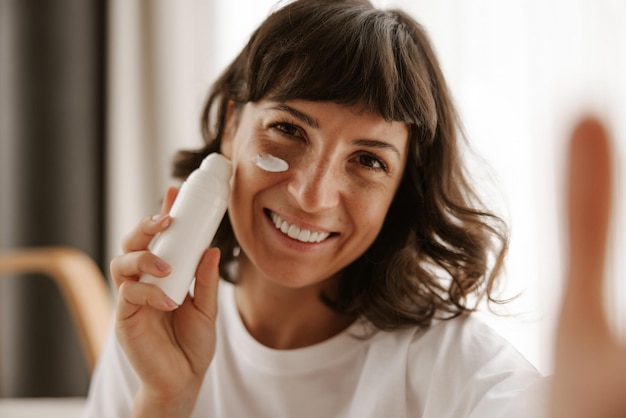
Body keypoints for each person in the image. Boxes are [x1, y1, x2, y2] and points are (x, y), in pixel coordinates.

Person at [84, 1, 625, 417]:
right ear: (231, 126)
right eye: (288, 130)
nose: (311, 195)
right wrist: (164, 400)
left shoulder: (449, 366)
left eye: (367, 160)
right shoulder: (159, 322)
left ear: (401, 187)